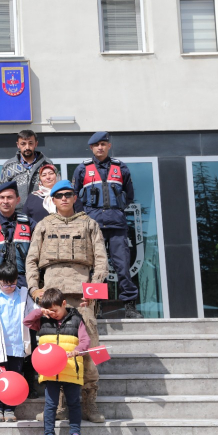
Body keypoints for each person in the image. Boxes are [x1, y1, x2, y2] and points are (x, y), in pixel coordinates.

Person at [25, 179, 108, 423]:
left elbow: (101, 260)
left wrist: (93, 292)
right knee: (55, 350)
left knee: (91, 349)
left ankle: (90, 404)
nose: (63, 198)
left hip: (82, 299)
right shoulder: (43, 225)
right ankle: (59, 405)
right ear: (52, 199)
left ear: (74, 197)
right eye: (58, 195)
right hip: (52, 300)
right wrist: (34, 290)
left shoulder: (89, 224)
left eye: (68, 194)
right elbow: (31, 260)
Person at [71, 131, 143, 319]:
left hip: (117, 226)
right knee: (96, 268)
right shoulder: (82, 169)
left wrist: (116, 211)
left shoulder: (121, 168)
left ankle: (130, 306)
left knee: (123, 266)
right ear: (91, 148)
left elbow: (129, 196)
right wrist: (86, 216)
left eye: (104, 144)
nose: (100, 148)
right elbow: (74, 197)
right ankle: (97, 307)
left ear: (109, 146)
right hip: (93, 227)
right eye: (97, 145)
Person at [23, 288, 89, 435]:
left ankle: (75, 434)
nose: (52, 314)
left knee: (73, 403)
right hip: (50, 370)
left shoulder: (77, 319)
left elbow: (85, 341)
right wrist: (40, 311)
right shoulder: (44, 319)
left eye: (55, 310)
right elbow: (27, 321)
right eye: (49, 311)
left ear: (64, 304)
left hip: (71, 369)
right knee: (50, 405)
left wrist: (77, 350)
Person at [0, 262, 34, 423]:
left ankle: (10, 408)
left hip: (17, 346)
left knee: (15, 377)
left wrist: (41, 311)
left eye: (13, 283)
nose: (10, 287)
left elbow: (32, 310)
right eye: (5, 284)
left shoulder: (23, 294)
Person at [0, 130, 55, 209]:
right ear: (18, 145)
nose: (27, 147)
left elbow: (54, 186)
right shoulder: (8, 166)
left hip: (42, 209)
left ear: (36, 144)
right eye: (23, 144)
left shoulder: (47, 164)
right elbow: (2, 190)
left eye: (30, 143)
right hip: (17, 212)